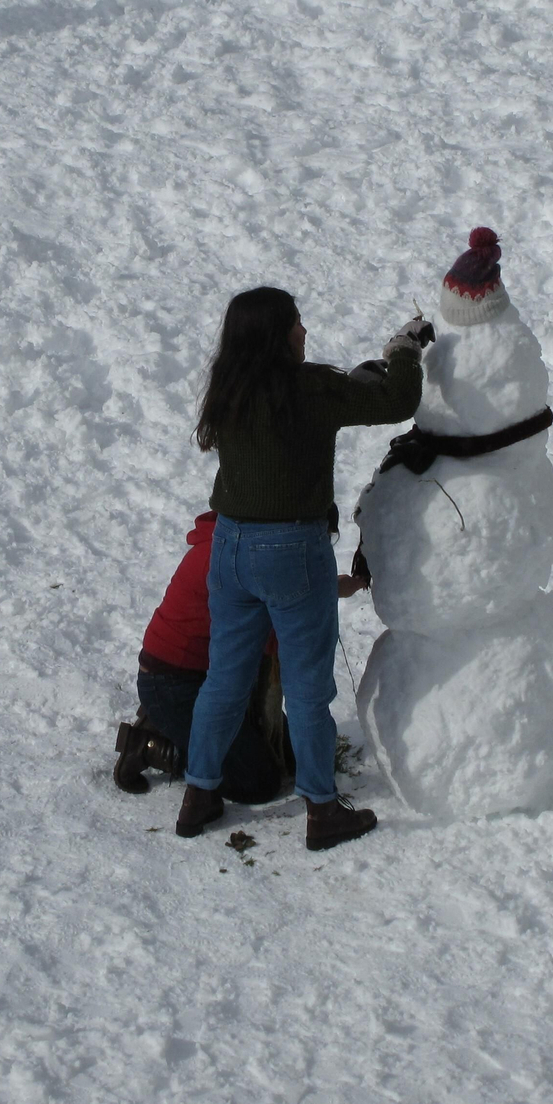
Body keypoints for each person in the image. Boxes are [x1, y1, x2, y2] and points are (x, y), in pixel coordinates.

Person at [174, 287, 427, 851]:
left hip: (230, 549)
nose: (305, 331)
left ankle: (199, 794)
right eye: (296, 324)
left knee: (225, 679)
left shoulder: (230, 388)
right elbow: (394, 402)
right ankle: (320, 808)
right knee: (309, 690)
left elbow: (342, 390)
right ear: (277, 335)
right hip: (292, 552)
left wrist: (369, 370)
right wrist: (405, 350)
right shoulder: (307, 388)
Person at [114, 512, 372, 802]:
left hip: (217, 677)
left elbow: (285, 591)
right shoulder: (242, 559)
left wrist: (334, 587)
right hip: (172, 683)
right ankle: (152, 745)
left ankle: (179, 728)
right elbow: (280, 625)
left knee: (290, 758)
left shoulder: (247, 544)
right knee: (256, 781)